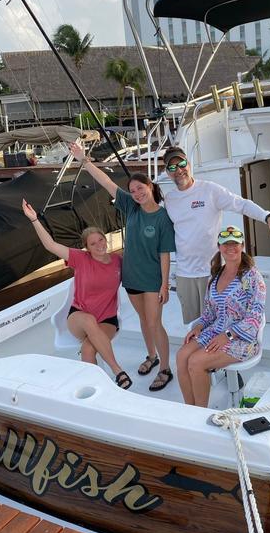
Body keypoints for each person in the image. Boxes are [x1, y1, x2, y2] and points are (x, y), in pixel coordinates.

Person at [69, 143, 176, 391]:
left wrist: (164, 284)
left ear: (151, 187)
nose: (137, 193)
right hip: (131, 278)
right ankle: (152, 356)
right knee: (142, 319)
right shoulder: (130, 206)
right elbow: (106, 182)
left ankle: (165, 368)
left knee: (154, 322)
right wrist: (84, 160)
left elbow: (164, 254)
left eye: (140, 188)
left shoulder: (162, 217)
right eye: (133, 190)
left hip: (151, 279)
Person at [162, 146, 270, 324]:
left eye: (181, 164)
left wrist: (268, 217)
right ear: (167, 173)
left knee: (215, 323)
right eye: (172, 168)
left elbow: (241, 204)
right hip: (184, 274)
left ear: (188, 164)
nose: (178, 170)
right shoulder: (169, 200)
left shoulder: (209, 190)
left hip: (211, 273)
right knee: (192, 326)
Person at [21, 199, 131, 389]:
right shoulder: (80, 259)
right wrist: (34, 220)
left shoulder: (117, 261)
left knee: (88, 349)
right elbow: (50, 245)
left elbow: (137, 273)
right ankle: (117, 370)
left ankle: (97, 390)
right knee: (88, 321)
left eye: (100, 240)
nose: (98, 245)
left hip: (107, 320)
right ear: (87, 248)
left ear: (106, 239)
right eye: (92, 243)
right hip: (78, 318)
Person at [176, 225, 266, 407]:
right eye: (226, 244)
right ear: (219, 247)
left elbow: (255, 318)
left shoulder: (253, 277)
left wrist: (228, 336)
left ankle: (200, 413)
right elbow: (209, 313)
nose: (230, 247)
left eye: (235, 243)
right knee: (181, 356)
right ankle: (189, 410)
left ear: (242, 246)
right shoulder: (216, 276)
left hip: (242, 339)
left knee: (195, 361)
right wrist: (199, 326)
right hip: (215, 332)